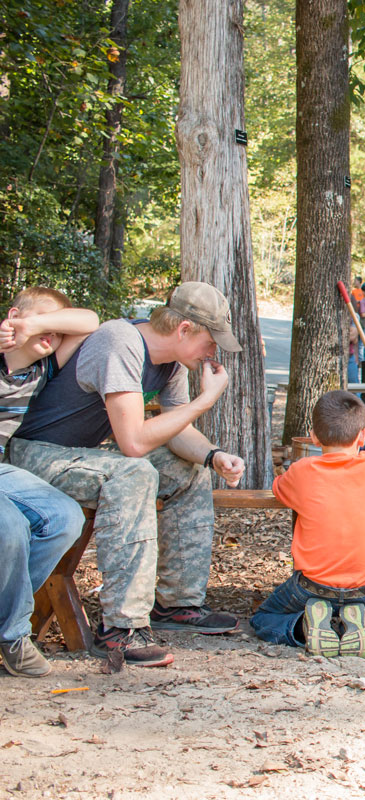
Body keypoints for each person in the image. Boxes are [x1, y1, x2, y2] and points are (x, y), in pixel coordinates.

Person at [10, 282, 247, 667]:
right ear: (184, 329)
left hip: (84, 454)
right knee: (133, 473)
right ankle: (121, 629)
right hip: (34, 455)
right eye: (211, 340)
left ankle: (178, 605)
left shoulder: (171, 362)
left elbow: (175, 429)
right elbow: (134, 442)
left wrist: (213, 455)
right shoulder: (120, 342)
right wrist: (207, 400)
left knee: (187, 470)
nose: (213, 352)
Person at [251, 391, 365, 656]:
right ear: (362, 436)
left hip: (311, 586)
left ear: (314, 436)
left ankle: (303, 627)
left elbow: (279, 488)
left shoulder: (302, 471)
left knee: (264, 617)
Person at [0, 287, 97, 677]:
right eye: (41, 321)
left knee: (64, 518)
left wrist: (38, 324)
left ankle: (7, 620)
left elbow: (89, 322)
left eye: (56, 329)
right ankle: (13, 635)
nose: (51, 336)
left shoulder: (42, 368)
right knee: (9, 526)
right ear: (12, 315)